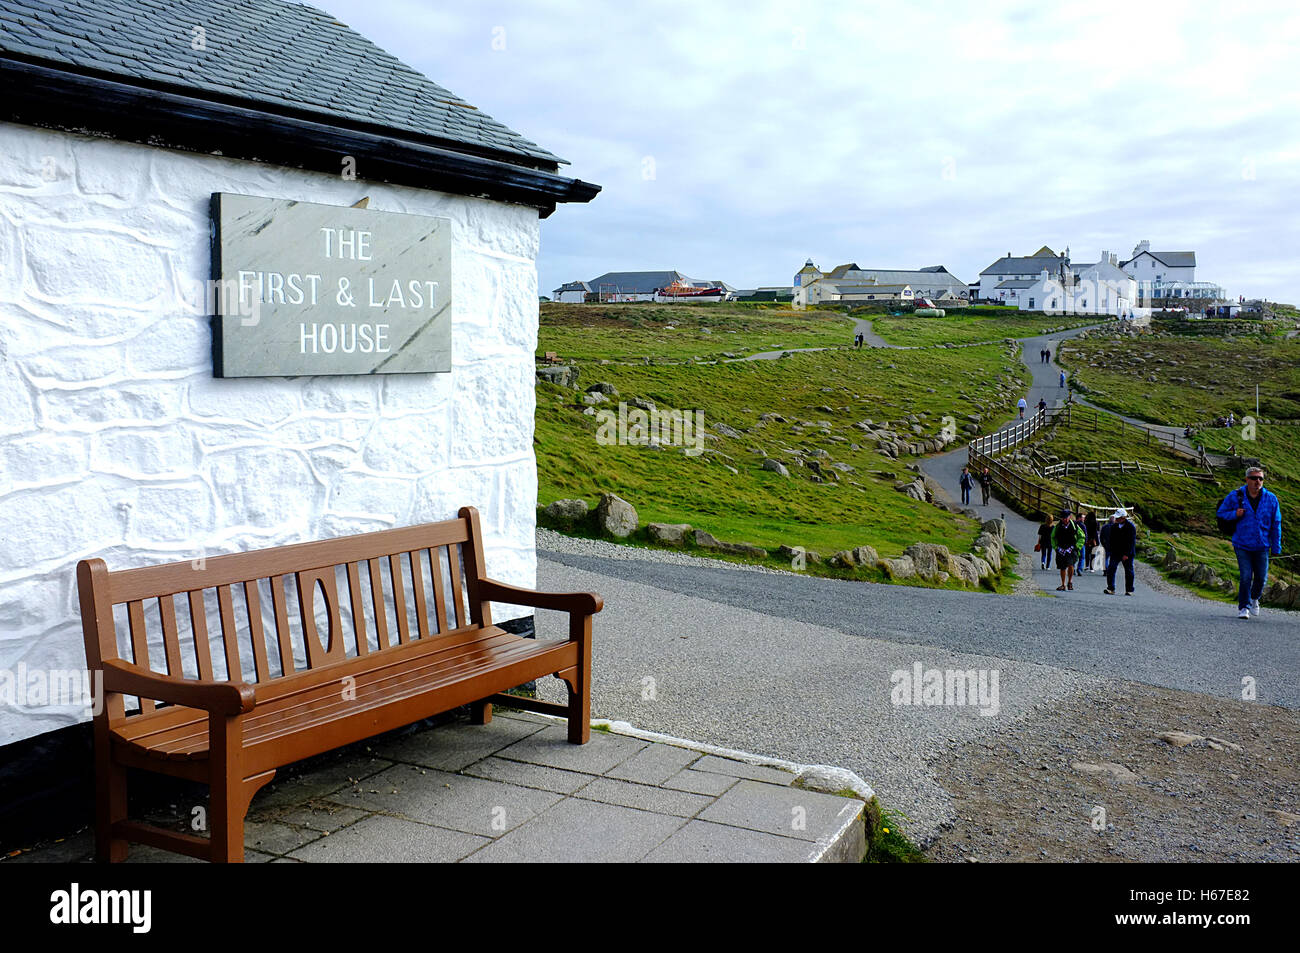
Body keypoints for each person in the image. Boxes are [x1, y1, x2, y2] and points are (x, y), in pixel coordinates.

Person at [1217, 466, 1282, 619]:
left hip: (1262, 545)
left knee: (1261, 577)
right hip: (1242, 544)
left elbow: (1276, 523)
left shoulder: (1271, 498)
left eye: (1260, 478)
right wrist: (1235, 514)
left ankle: (1254, 599)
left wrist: (1276, 546)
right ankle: (1243, 607)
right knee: (1246, 576)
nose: (1257, 481)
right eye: (1253, 478)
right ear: (1247, 479)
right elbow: (1221, 512)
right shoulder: (1236, 496)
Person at [1103, 508, 1137, 595]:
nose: (1116, 519)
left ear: (1123, 517)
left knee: (1129, 571)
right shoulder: (1114, 526)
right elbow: (1112, 539)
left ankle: (1129, 590)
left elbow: (1131, 542)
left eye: (1118, 517)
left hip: (1127, 552)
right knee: (1111, 568)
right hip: (1116, 552)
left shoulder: (1131, 527)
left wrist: (1126, 554)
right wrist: (1110, 550)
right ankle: (1111, 588)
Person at [1053, 509, 1083, 590]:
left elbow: (1082, 537)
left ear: (1069, 517)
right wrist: (1056, 547)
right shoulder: (1058, 527)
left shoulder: (1075, 526)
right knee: (1062, 567)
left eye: (1066, 517)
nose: (1065, 519)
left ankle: (1070, 582)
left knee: (1071, 565)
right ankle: (1063, 584)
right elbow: (1053, 537)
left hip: (1072, 548)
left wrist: (1077, 547)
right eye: (1063, 518)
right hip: (1061, 548)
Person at [1083, 509, 1099, 573]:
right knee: (1093, 554)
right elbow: (1097, 531)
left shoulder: (1086, 523)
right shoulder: (1096, 523)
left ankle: (1086, 566)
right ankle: (1091, 567)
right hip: (1094, 539)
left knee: (1087, 553)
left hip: (1087, 539)